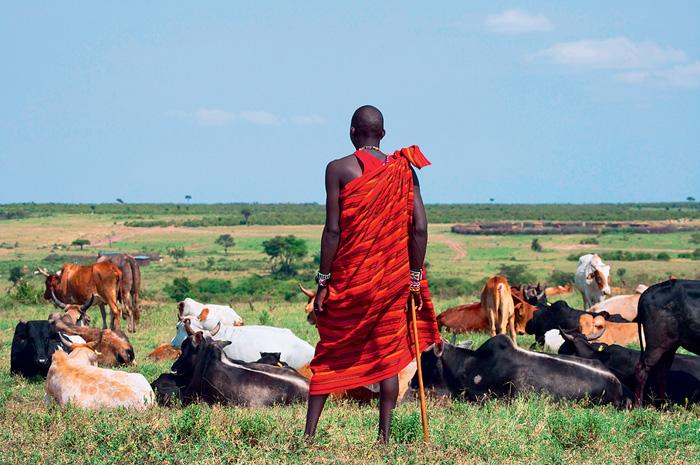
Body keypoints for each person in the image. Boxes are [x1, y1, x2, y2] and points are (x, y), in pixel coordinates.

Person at [304, 105, 441, 443]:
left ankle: (308, 436)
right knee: (388, 355)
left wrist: (323, 282)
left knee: (331, 351)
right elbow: (420, 229)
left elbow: (332, 231)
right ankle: (384, 438)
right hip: (392, 283)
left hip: (351, 282)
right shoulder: (405, 171)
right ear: (383, 134)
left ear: (352, 132)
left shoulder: (337, 169)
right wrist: (412, 279)